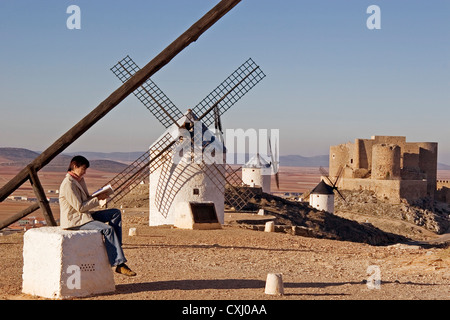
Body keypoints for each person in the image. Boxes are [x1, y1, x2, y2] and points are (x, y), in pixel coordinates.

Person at [59, 155, 136, 276]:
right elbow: (80, 207)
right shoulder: (68, 184)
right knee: (108, 230)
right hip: (75, 220)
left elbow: (85, 200)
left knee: (115, 213)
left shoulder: (78, 181)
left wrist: (98, 195)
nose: (84, 172)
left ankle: (117, 248)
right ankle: (119, 263)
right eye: (83, 169)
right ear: (75, 166)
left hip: (85, 216)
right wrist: (97, 199)